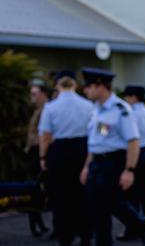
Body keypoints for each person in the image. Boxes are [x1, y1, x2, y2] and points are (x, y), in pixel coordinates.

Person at [79, 68, 145, 246]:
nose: (86, 90)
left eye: (89, 86)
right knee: (97, 208)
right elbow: (97, 141)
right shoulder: (96, 110)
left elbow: (133, 141)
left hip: (113, 162)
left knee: (115, 203)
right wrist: (86, 167)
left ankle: (142, 225)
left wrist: (129, 170)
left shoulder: (121, 109)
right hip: (96, 163)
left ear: (101, 86)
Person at [38, 71, 92, 246]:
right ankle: (86, 234)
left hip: (60, 151)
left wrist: (43, 156)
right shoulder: (88, 105)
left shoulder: (51, 107)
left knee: (60, 196)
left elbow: (45, 135)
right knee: (82, 194)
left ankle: (64, 236)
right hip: (82, 149)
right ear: (75, 85)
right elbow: (96, 131)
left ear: (57, 85)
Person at [116, 85, 145, 241]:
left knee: (131, 195)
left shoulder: (130, 114)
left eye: (127, 96)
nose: (125, 99)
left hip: (136, 154)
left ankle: (134, 229)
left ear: (134, 97)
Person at [25, 82, 50, 237]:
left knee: (39, 190)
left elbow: (44, 135)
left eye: (34, 94)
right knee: (35, 190)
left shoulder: (47, 110)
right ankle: (37, 224)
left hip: (41, 153)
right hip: (34, 153)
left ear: (43, 94)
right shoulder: (38, 110)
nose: (31, 97)